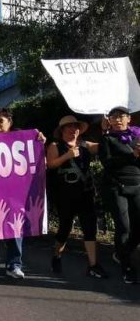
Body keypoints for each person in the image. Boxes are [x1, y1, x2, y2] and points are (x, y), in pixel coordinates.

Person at [46, 115, 106, 278]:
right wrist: (67, 156)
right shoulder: (55, 145)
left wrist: (105, 130)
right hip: (64, 194)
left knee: (90, 229)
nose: (74, 129)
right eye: (70, 127)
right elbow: (50, 164)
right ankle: (57, 256)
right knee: (65, 229)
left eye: (76, 127)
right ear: (62, 130)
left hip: (85, 193)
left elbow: (103, 147)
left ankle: (93, 265)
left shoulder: (84, 145)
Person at [0, 108, 27, 279]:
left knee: (15, 228)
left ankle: (14, 265)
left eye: (1, 120)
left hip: (15, 193)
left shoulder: (21, 140)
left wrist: (39, 138)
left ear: (10, 123)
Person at [98, 106, 140, 284]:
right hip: (115, 187)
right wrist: (133, 155)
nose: (117, 120)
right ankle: (127, 266)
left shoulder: (138, 137)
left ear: (129, 119)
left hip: (137, 185)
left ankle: (122, 252)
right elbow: (107, 162)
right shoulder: (107, 139)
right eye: (113, 117)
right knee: (124, 227)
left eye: (121, 116)